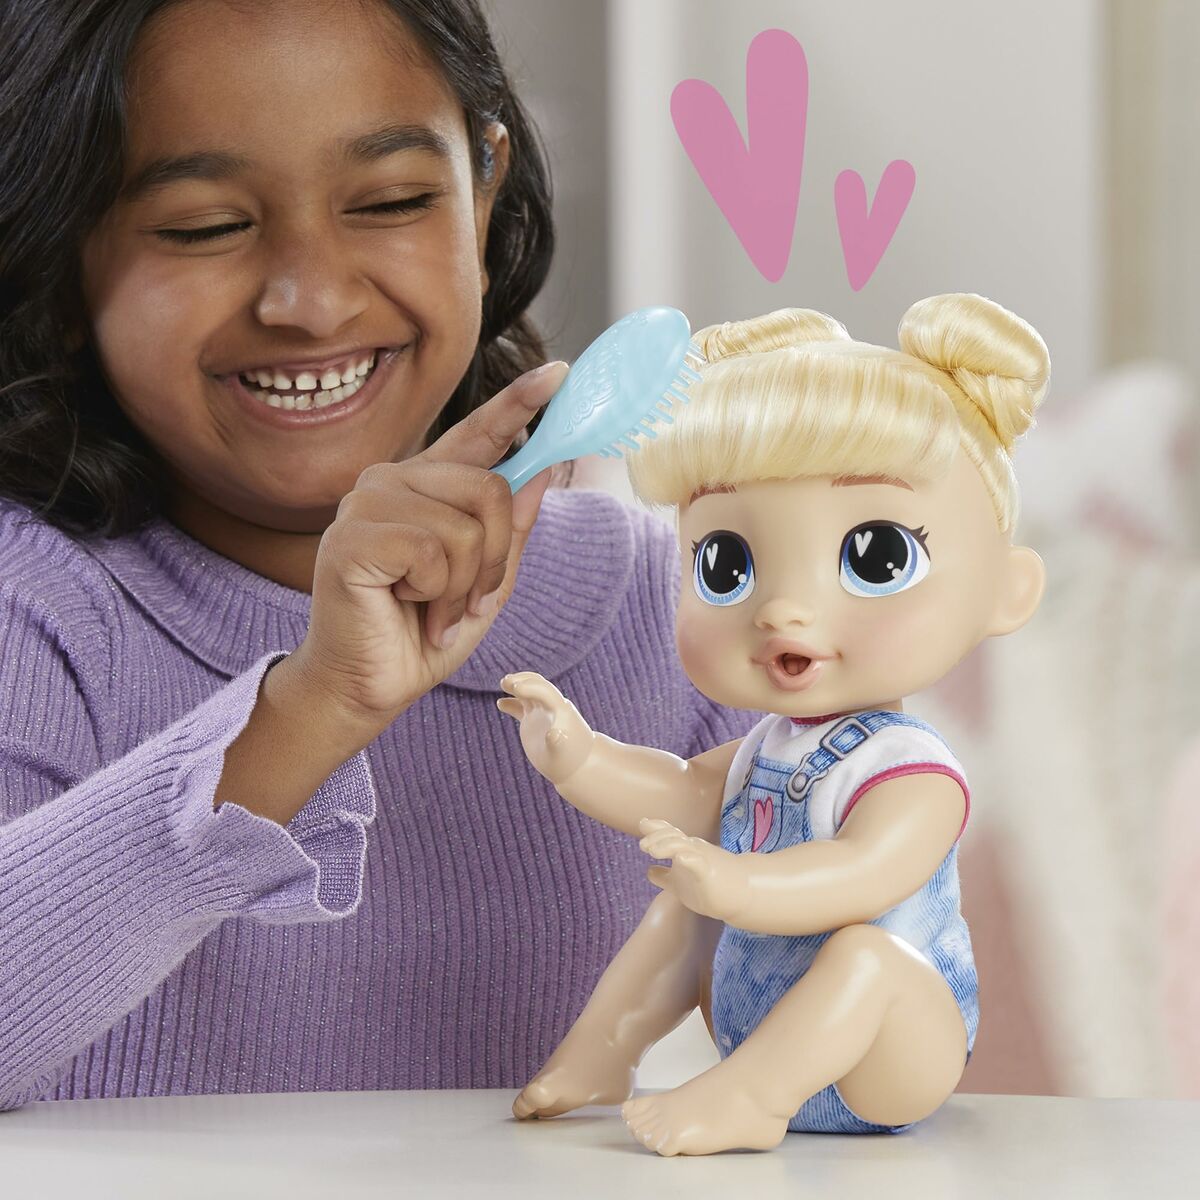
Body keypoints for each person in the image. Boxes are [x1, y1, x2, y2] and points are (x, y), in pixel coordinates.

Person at [0, 0, 756, 1109]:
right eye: (204, 226)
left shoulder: (665, 599)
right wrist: (315, 704)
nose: (311, 302)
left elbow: (865, 998)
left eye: (394, 202)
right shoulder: (32, 608)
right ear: (61, 258)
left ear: (483, 193)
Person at [498, 295, 1049, 1154]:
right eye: (727, 565)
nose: (785, 609)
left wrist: (739, 886)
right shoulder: (767, 749)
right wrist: (578, 756)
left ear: (1006, 591)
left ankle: (750, 1100)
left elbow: (862, 870)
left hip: (887, 1054)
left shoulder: (911, 773)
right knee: (680, 913)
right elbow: (680, 791)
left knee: (866, 956)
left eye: (875, 557)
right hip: (759, 1021)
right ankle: (605, 1053)